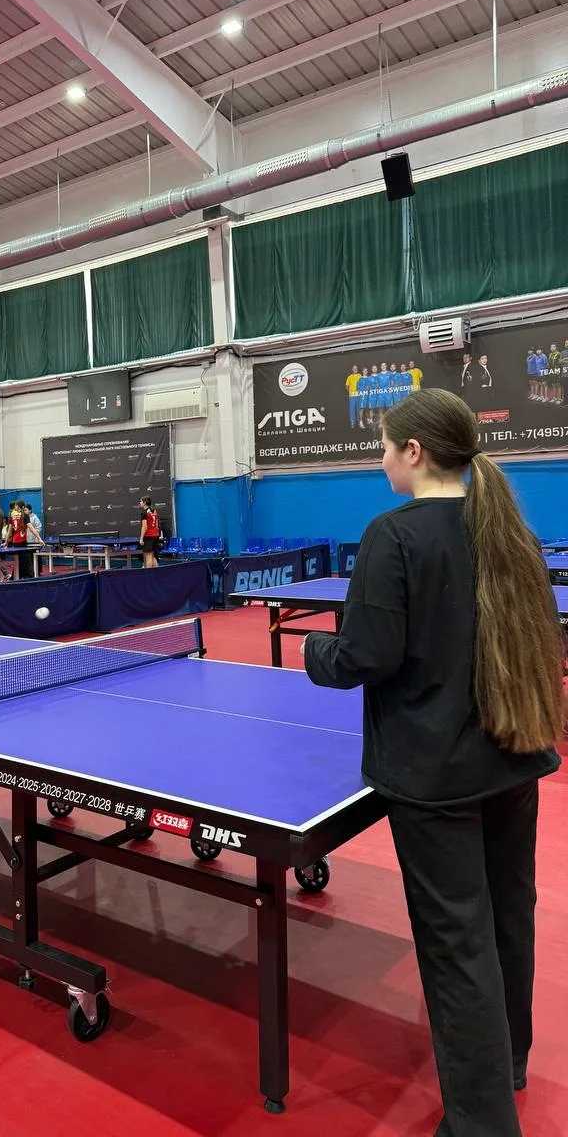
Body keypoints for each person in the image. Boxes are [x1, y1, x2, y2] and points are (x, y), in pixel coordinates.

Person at [302, 388, 563, 1136]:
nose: (381, 459)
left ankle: (481, 1123)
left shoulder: (393, 535)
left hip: (435, 776)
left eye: (386, 446)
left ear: (414, 452)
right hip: (512, 759)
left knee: (456, 946)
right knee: (508, 918)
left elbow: (367, 655)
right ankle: (508, 1063)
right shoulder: (508, 530)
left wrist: (317, 651)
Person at [138, 496, 161, 568]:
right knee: (153, 556)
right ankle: (157, 573)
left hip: (149, 536)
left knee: (148, 556)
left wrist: (141, 538)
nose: (140, 503)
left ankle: (149, 573)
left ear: (145, 503)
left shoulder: (144, 513)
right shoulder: (154, 510)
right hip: (156, 536)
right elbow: (157, 524)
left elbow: (144, 527)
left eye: (141, 501)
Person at [345, 365, 361, 430]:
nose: (355, 369)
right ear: (352, 369)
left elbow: (363, 384)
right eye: (354, 368)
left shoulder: (360, 375)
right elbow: (346, 386)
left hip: (359, 395)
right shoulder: (349, 377)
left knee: (359, 409)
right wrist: (350, 391)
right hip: (352, 396)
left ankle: (359, 422)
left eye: (356, 368)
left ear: (357, 369)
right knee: (352, 409)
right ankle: (352, 423)